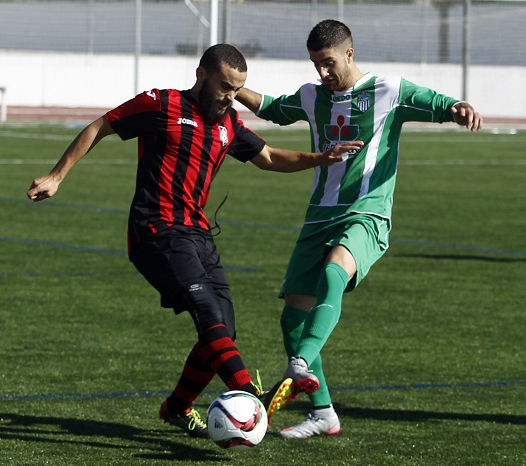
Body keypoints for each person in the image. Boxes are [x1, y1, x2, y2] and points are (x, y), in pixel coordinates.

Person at [27, 44, 362, 438]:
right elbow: (101, 125)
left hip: (199, 235)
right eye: (224, 86)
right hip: (155, 230)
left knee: (223, 328)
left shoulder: (230, 124)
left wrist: (319, 158)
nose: (230, 96)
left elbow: (269, 156)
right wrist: (57, 175)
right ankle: (252, 395)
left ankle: (177, 407)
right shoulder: (161, 103)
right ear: (201, 74)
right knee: (207, 311)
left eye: (237, 90)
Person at [235, 20, 483, 439]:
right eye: (315, 64)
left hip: (367, 213)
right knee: (292, 318)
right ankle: (323, 413)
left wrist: (459, 108)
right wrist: (230, 87)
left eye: (328, 63)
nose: (322, 73)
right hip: (318, 216)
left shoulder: (389, 90)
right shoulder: (313, 96)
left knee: (335, 271)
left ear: (349, 53)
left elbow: (439, 103)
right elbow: (275, 108)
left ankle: (300, 365)